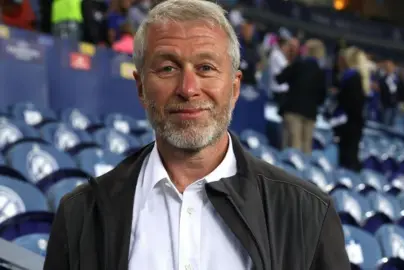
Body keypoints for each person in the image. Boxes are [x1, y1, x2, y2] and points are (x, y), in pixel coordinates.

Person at [43, 1, 350, 270]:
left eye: (205, 67)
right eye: (167, 68)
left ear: (234, 87)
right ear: (140, 87)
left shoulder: (308, 214)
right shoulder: (80, 215)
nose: (188, 89)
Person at [276, 39, 327, 154]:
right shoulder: (321, 72)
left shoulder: (299, 64)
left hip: (293, 111)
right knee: (306, 150)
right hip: (310, 115)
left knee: (292, 149)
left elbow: (280, 78)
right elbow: (322, 97)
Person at [331, 46, 369, 172]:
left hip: (348, 125)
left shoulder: (352, 78)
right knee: (351, 156)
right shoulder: (359, 77)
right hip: (354, 124)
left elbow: (349, 104)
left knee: (348, 158)